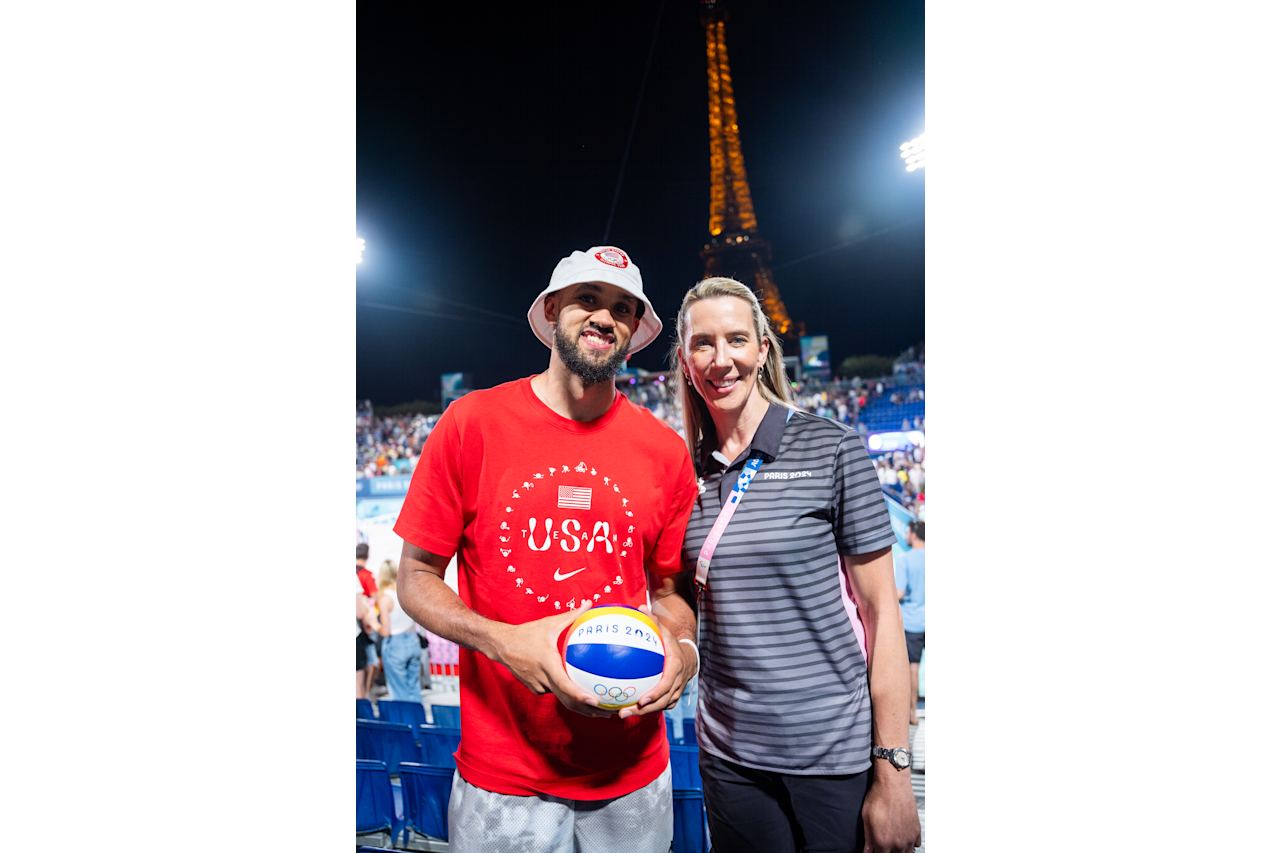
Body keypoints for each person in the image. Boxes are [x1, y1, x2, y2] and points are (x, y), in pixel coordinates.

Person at [393, 245, 700, 853]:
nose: (604, 317)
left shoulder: (664, 452)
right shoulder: (471, 423)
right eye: (588, 299)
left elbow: (670, 593)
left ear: (634, 330)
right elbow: (415, 578)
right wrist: (504, 641)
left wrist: (684, 652)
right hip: (505, 770)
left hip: (631, 765)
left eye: (622, 308)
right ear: (553, 309)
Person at [670, 277, 921, 853]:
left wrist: (894, 774)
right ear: (685, 360)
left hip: (831, 754)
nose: (721, 358)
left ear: (763, 349)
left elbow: (883, 615)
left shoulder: (833, 448)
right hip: (729, 757)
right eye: (703, 343)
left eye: (736, 339)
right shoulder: (684, 473)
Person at [376, 559, 424, 702]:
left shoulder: (385, 598)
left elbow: (385, 631)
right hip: (412, 640)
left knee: (399, 691)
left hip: (395, 644)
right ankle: (417, 721)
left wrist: (373, 624)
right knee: (414, 688)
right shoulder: (405, 592)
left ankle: (405, 722)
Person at [895, 521, 926, 726]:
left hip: (913, 621)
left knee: (912, 668)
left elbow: (900, 592)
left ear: (914, 534)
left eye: (907, 531)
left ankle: (912, 713)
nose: (906, 535)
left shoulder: (904, 559)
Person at [355, 543, 380, 699]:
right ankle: (366, 695)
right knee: (370, 663)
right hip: (363, 624)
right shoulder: (366, 574)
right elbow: (374, 596)